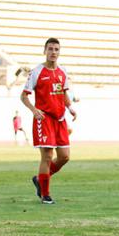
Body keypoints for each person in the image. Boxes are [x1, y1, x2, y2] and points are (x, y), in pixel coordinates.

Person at [20, 37, 77, 204]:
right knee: (47, 156)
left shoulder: (62, 72)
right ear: (44, 51)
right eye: (50, 49)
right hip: (43, 118)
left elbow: (63, 94)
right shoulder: (37, 72)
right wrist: (34, 110)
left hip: (60, 119)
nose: (53, 52)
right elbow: (24, 96)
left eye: (56, 49)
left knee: (64, 157)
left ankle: (40, 179)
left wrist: (70, 107)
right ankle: (45, 195)